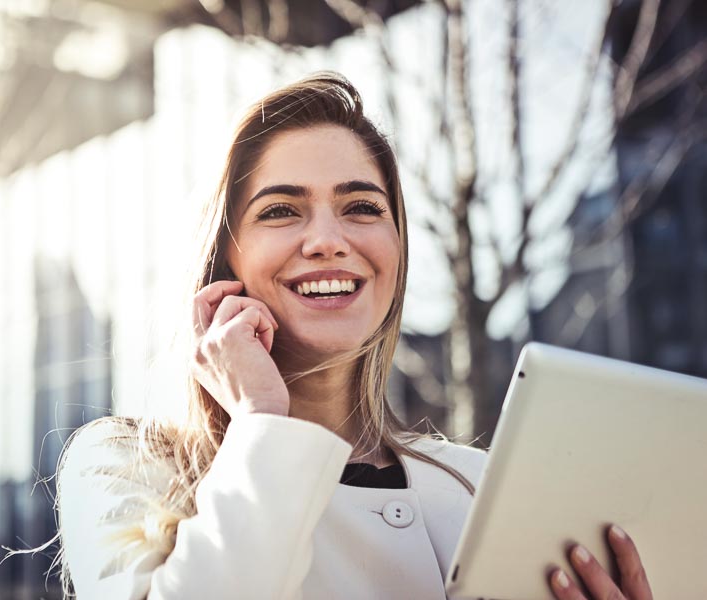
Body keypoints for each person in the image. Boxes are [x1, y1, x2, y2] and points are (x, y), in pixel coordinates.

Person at [55, 73, 652, 600]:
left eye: (362, 207)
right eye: (281, 211)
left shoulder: (479, 485)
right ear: (224, 260)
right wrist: (263, 420)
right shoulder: (122, 465)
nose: (327, 240)